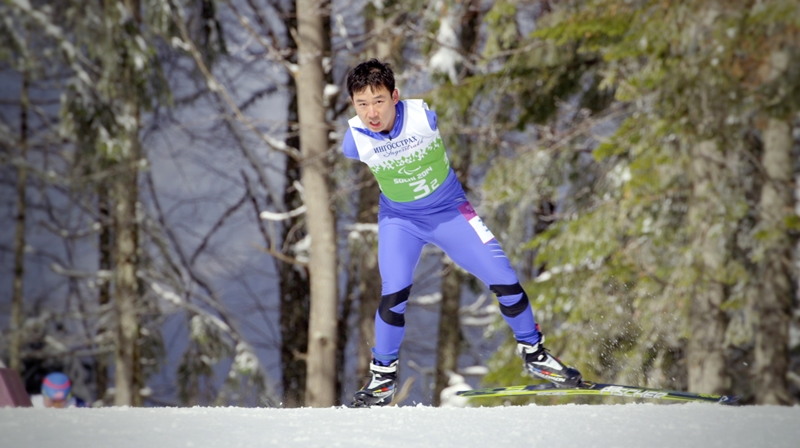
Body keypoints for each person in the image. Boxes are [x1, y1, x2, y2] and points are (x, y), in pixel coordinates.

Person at [342, 59, 582, 407]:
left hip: (450, 212)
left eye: (378, 100)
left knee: (504, 278)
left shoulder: (422, 118)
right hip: (400, 220)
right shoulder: (354, 140)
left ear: (395, 96)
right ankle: (382, 378)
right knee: (394, 293)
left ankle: (535, 354)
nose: (371, 113)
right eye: (362, 104)